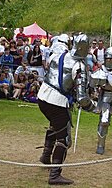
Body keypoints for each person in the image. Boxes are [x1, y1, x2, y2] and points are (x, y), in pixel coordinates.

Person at [37, 34, 93, 185]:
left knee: (55, 125)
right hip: (57, 101)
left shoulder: (58, 55)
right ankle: (55, 175)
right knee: (64, 138)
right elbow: (82, 98)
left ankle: (45, 155)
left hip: (42, 97)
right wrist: (94, 108)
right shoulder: (79, 66)